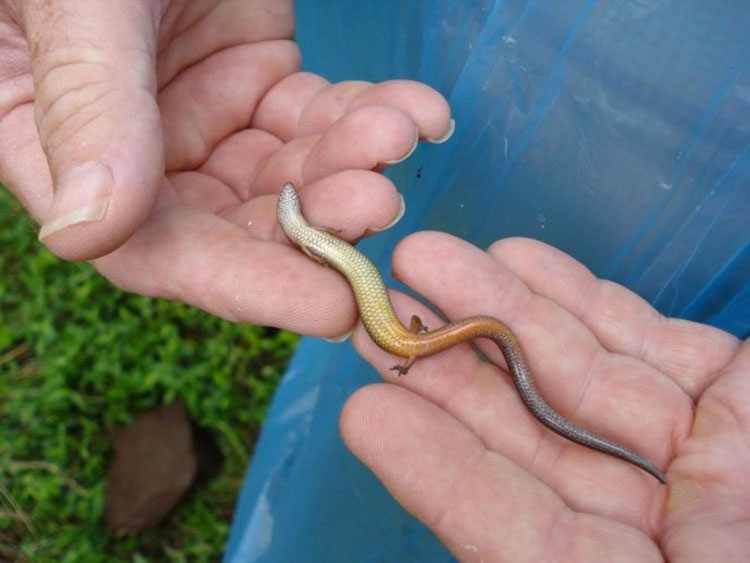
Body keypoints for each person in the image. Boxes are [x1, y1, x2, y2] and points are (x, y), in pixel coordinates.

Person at [0, 2, 747, 561]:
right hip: (409, 335)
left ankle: (496, 366)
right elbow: (324, 251)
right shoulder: (318, 244)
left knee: (414, 316)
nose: (294, 211)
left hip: (412, 335)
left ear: (300, 225)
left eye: (294, 213)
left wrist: (412, 340)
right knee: (399, 308)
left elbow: (325, 251)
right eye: (295, 214)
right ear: (302, 227)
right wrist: (411, 340)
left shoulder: (319, 244)